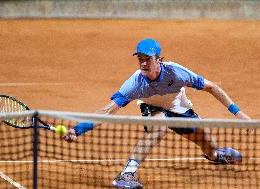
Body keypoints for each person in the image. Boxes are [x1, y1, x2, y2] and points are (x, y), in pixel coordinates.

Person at [63, 38, 251, 189]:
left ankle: (214, 156)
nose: (143, 63)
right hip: (152, 107)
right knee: (159, 127)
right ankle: (128, 173)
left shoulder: (177, 73)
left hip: (178, 106)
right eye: (140, 59)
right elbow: (108, 110)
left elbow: (211, 87)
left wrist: (238, 113)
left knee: (206, 140)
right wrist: (78, 130)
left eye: (148, 59)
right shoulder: (135, 83)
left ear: (158, 59)